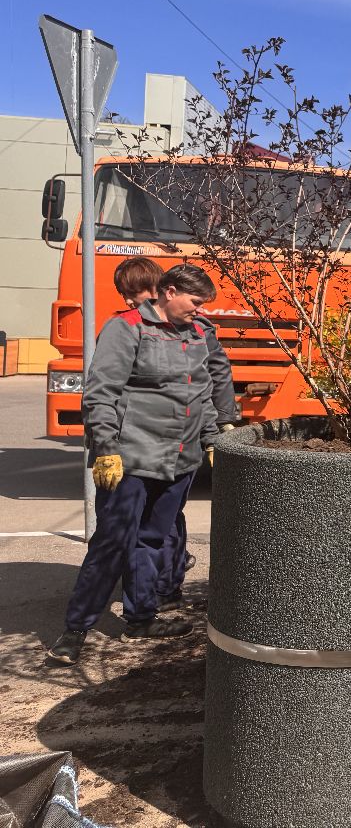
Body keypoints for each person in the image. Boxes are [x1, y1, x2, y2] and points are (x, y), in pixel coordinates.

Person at [46, 264, 222, 666]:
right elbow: (100, 392)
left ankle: (140, 618)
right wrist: (106, 447)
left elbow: (203, 393)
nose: (200, 310)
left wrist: (212, 440)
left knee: (151, 540)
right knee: (112, 543)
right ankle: (74, 631)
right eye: (195, 301)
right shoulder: (126, 328)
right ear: (169, 291)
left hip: (179, 460)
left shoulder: (196, 333)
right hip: (131, 458)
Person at [109, 259, 240, 613]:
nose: (130, 302)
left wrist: (221, 426)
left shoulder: (195, 328)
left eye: (135, 294)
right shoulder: (129, 327)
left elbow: (213, 376)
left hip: (181, 442)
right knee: (148, 527)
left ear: (161, 291)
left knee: (164, 523)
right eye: (124, 295)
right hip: (145, 445)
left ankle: (165, 587)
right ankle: (149, 593)